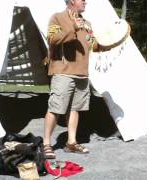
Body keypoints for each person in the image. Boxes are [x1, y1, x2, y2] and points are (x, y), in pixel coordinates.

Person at [43, 0, 106, 159]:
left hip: (82, 73)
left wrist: (106, 45)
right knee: (56, 108)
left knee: (75, 108)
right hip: (63, 71)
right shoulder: (57, 18)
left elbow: (92, 44)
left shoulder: (88, 23)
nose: (86, 2)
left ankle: (71, 142)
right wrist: (73, 27)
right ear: (72, 1)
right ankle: (46, 144)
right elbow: (52, 39)